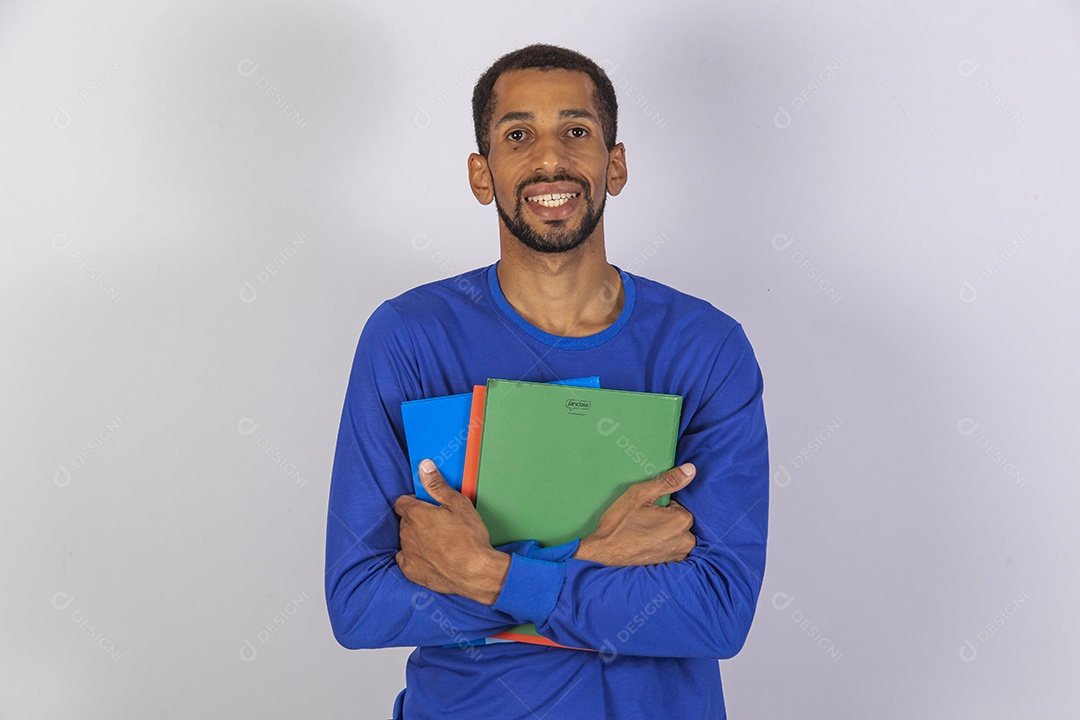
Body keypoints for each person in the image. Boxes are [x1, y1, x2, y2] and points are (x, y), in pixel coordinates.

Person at [325, 43, 769, 719]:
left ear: (614, 165)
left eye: (576, 131)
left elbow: (716, 613)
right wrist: (590, 556)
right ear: (483, 174)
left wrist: (484, 570)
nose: (550, 158)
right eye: (518, 135)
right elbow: (360, 605)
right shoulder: (409, 337)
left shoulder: (705, 349)